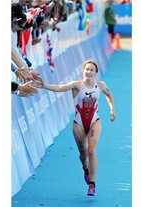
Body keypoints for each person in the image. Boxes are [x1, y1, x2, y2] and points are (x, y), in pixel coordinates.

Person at [36, 60, 116, 196]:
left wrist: (112, 109)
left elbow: (109, 94)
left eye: (92, 70)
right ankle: (86, 169)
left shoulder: (101, 85)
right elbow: (60, 88)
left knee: (91, 151)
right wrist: (44, 86)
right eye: (87, 69)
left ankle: (92, 184)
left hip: (94, 122)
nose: (89, 72)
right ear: (83, 70)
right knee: (83, 154)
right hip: (78, 124)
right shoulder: (77, 85)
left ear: (96, 73)